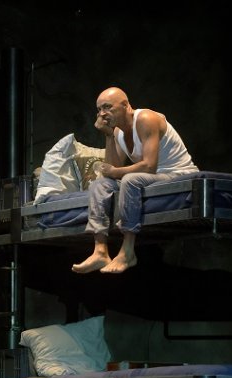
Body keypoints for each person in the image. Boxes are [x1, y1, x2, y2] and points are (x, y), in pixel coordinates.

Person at [72, 86, 198, 275]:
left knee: (131, 180)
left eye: (107, 107)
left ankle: (128, 251)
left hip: (178, 174)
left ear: (125, 105)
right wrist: (108, 134)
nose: (102, 113)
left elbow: (149, 166)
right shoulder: (118, 132)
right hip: (154, 177)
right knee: (100, 184)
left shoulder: (146, 119)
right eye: (99, 109)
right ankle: (100, 250)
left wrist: (116, 171)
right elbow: (111, 170)